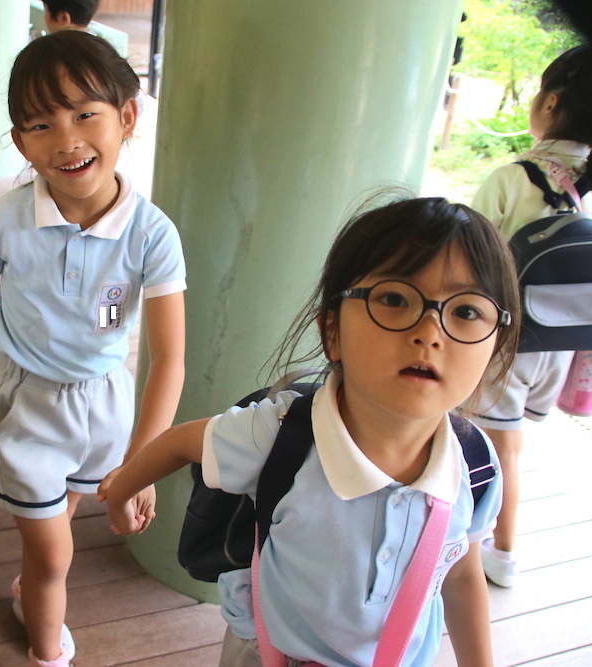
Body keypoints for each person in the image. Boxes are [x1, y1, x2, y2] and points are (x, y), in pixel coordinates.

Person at [103, 195, 520, 667]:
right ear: (332, 330)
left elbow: (459, 568)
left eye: (466, 311)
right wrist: (124, 489)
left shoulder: (475, 462)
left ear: (496, 344)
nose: (429, 331)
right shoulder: (282, 434)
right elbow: (182, 441)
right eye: (394, 299)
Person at [0, 30, 186, 667]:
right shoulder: (7, 218)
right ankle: (47, 649)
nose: (67, 140)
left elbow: (170, 358)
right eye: (40, 125)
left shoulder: (153, 236)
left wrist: (140, 465)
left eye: (84, 114)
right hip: (25, 399)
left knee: (64, 511)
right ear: (21, 142)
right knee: (53, 555)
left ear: (127, 117)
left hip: (105, 401)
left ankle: (34, 579)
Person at [469, 44, 592, 588]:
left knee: (500, 447)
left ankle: (501, 552)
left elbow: (468, 258)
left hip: (508, 341)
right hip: (563, 344)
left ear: (551, 103)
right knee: (510, 442)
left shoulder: (511, 178)